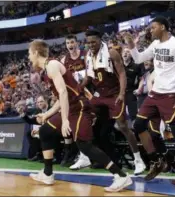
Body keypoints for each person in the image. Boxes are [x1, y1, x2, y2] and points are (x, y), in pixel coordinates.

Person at [28, 39, 132, 192]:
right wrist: (47, 114)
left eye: (30, 53)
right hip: (70, 107)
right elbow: (61, 97)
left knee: (84, 145)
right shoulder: (47, 69)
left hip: (80, 107)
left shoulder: (51, 65)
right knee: (45, 131)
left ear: (36, 53)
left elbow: (64, 93)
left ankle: (121, 176)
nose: (29, 57)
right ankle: (48, 173)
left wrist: (64, 121)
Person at [124, 16, 175, 186]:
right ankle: (157, 161)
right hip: (155, 93)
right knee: (138, 125)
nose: (150, 30)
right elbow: (139, 58)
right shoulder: (155, 44)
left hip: (172, 93)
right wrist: (132, 46)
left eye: (153, 27)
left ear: (163, 27)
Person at [85, 29, 146, 175]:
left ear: (100, 40)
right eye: (88, 43)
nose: (91, 45)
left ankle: (138, 160)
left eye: (93, 41)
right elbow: (89, 78)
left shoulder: (111, 53)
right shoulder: (88, 55)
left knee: (123, 126)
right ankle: (85, 156)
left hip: (113, 93)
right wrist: (78, 87)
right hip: (100, 94)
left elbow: (122, 73)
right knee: (84, 116)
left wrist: (121, 93)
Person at [60, 34, 91, 169]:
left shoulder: (86, 54)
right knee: (75, 124)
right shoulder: (63, 60)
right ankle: (80, 154)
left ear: (77, 43)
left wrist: (81, 87)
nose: (70, 45)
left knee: (87, 124)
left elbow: (90, 74)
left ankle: (89, 155)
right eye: (67, 43)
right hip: (75, 95)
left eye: (72, 42)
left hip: (89, 91)